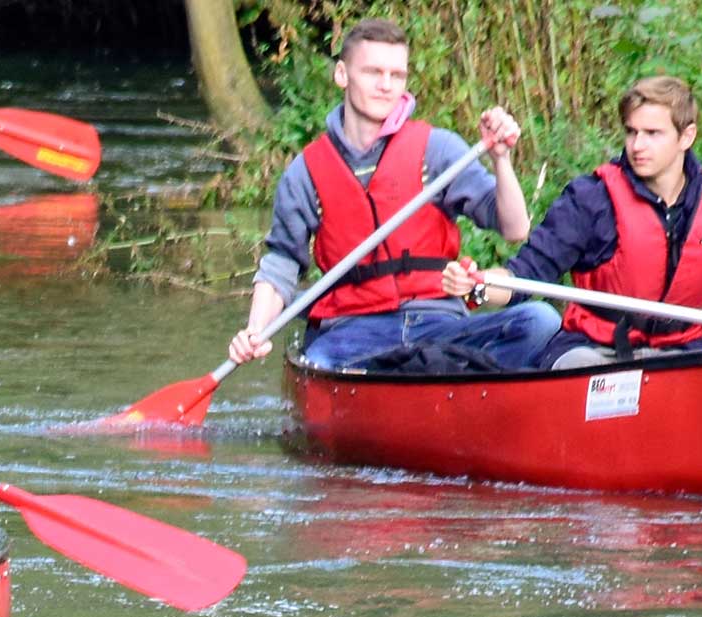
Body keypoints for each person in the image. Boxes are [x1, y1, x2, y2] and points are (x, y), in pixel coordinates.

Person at [226, 18, 561, 373]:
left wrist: (501, 160)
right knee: (318, 364)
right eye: (373, 72)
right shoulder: (305, 172)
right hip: (351, 331)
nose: (387, 86)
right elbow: (281, 264)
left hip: (439, 323)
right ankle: (430, 376)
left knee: (539, 320)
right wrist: (255, 329)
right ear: (342, 74)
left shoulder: (439, 150)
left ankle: (451, 379)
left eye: (397, 75)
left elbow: (514, 228)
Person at [442, 76, 702, 369]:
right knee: (584, 369)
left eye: (653, 133)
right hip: (593, 351)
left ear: (687, 136)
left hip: (678, 353)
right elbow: (526, 276)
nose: (638, 145)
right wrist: (479, 284)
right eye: (631, 132)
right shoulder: (591, 199)